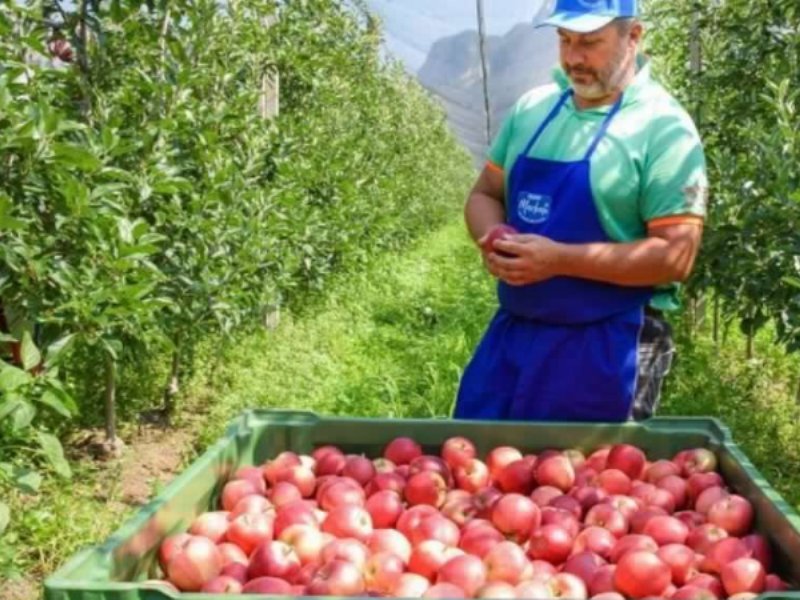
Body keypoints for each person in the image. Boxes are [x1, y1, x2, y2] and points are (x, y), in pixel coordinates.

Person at [453, 0, 707, 422]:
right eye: (564, 40)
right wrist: (493, 238)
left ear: (634, 37)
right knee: (476, 467)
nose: (573, 57)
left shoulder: (664, 129)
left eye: (590, 42)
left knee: (583, 481)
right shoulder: (533, 110)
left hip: (610, 340)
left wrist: (559, 261)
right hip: (515, 331)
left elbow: (675, 257)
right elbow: (485, 194)